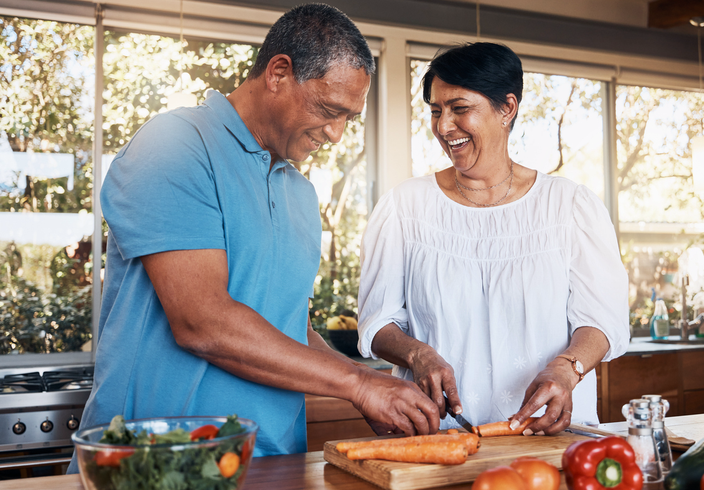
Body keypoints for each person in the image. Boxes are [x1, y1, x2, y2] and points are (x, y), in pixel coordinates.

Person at [69, 4, 439, 472]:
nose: (336, 133)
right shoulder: (176, 145)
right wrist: (358, 383)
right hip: (158, 464)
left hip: (274, 462)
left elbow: (289, 328)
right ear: (278, 73)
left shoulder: (301, 194)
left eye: (349, 117)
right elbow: (202, 320)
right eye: (328, 110)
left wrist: (368, 384)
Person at [357, 42, 629, 436]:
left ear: (507, 108)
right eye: (436, 111)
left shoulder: (569, 206)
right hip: (440, 437)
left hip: (548, 437)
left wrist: (567, 368)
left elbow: (603, 320)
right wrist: (418, 354)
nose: (444, 126)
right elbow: (377, 322)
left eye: (460, 109)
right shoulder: (404, 208)